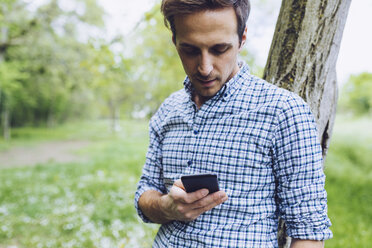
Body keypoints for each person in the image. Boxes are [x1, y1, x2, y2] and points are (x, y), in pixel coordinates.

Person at [134, 0, 333, 247]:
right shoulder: (168, 110)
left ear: (242, 38)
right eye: (190, 50)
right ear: (175, 41)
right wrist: (166, 207)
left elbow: (308, 232)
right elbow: (144, 195)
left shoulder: (283, 112)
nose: (205, 68)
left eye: (219, 49)